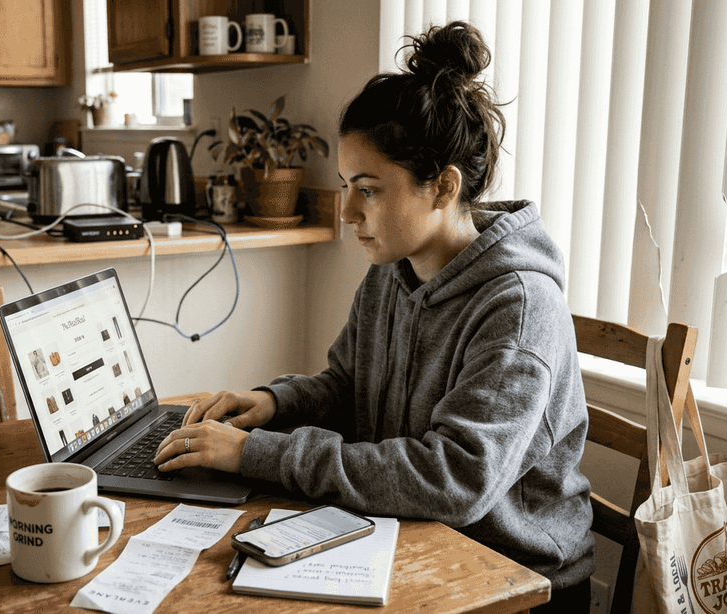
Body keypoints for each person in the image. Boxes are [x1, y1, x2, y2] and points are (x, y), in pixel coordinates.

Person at [153, 21, 593, 612]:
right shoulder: (394, 267)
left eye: (369, 189)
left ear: (442, 187)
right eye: (345, 186)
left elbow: (454, 479)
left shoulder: (517, 308)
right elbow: (348, 383)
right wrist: (275, 403)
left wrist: (256, 452)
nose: (347, 212)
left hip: (511, 577)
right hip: (409, 534)